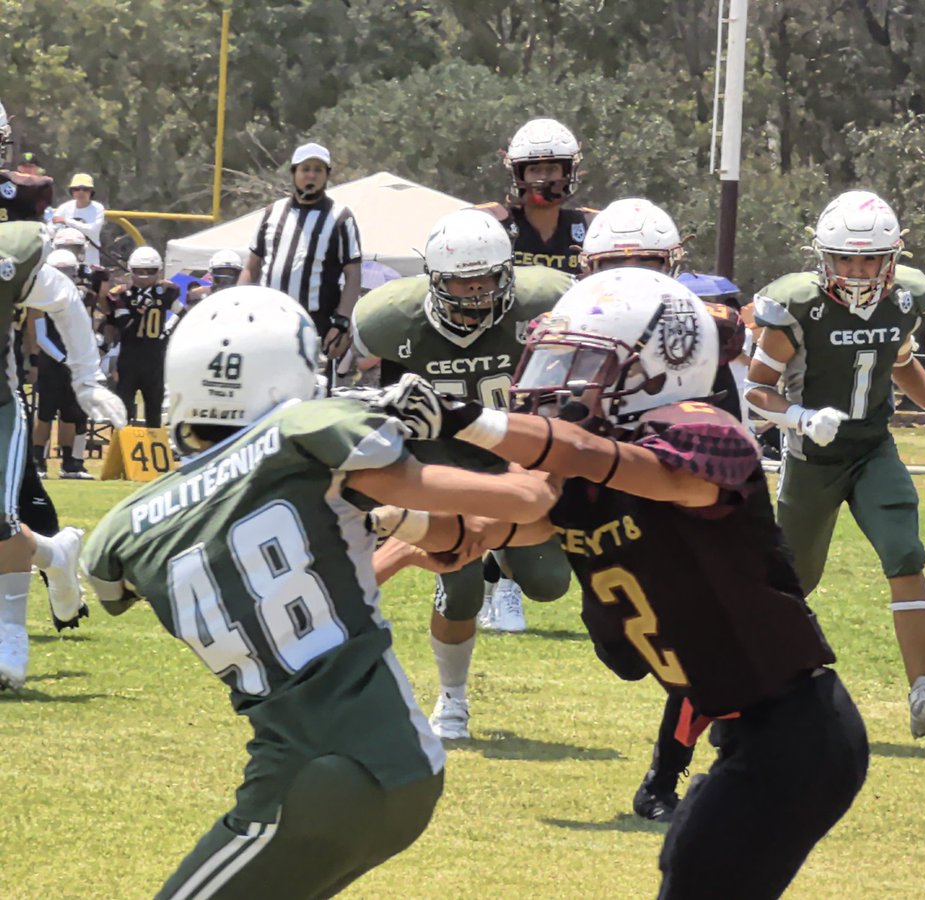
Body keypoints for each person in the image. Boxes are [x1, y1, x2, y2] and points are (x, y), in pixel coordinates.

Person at [382, 268, 870, 900]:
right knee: (685, 869)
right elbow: (481, 529)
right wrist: (387, 512)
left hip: (800, 732)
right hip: (747, 731)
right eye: (556, 361)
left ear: (660, 366)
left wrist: (465, 418)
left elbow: (615, 465)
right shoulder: (587, 459)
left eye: (583, 362)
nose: (560, 383)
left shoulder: (707, 434)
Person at [80, 286, 558, 897]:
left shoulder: (129, 525)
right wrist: (478, 425)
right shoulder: (306, 432)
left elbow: (135, 580)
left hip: (314, 774)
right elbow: (522, 507)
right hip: (390, 763)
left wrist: (396, 527)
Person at [745, 189, 925, 739]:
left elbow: (900, 361)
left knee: (905, 554)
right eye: (846, 258)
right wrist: (801, 418)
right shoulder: (795, 306)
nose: (856, 270)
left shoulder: (904, 300)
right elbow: (757, 391)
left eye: (869, 259)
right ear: (824, 256)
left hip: (874, 448)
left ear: (891, 258)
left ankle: (922, 690)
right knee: (793, 579)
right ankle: (755, 683)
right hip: (813, 458)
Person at [352, 208, 574, 737]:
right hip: (440, 467)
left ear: (508, 275)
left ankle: (502, 554)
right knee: (460, 585)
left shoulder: (546, 302)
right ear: (434, 279)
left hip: (517, 459)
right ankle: (452, 700)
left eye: (486, 281)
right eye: (461, 282)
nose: (475, 294)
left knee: (549, 584)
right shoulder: (392, 320)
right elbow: (355, 383)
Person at [579, 198, 745, 823]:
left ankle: (663, 782)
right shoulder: (571, 334)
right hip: (601, 515)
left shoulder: (698, 338)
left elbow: (725, 428)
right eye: (616, 265)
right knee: (622, 654)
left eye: (646, 263)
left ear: (672, 265)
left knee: (701, 643)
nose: (631, 277)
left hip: (684, 503)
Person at [0, 211, 127, 688]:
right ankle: (55, 554)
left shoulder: (8, 256)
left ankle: (9, 635)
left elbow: (65, 298)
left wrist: (87, 379)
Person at [240, 143, 362, 361]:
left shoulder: (340, 217)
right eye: (305, 169)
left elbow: (353, 274)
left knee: (312, 392)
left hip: (316, 325)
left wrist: (342, 322)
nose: (311, 175)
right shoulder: (272, 213)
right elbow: (252, 266)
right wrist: (239, 306)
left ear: (326, 175)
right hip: (267, 321)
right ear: (294, 172)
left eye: (318, 170)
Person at [476, 118, 595, 276]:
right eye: (534, 170)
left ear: (567, 173)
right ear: (519, 175)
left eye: (552, 168)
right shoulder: (494, 226)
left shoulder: (592, 227)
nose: (543, 178)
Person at [30, 249, 96, 479]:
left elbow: (85, 328)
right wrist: (63, 359)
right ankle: (38, 461)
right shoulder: (39, 296)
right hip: (52, 361)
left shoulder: (83, 294)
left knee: (71, 414)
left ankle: (69, 463)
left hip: (73, 360)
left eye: (68, 271)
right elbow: (40, 336)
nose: (64, 275)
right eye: (60, 271)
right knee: (45, 413)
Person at [105, 246, 181, 429]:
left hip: (155, 359)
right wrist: (142, 307)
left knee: (154, 412)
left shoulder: (166, 292)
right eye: (139, 271)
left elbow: (183, 313)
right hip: (129, 358)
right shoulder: (121, 294)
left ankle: (152, 453)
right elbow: (124, 325)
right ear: (131, 270)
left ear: (159, 271)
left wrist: (169, 330)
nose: (144, 276)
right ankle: (121, 450)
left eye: (150, 271)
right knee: (123, 412)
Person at [51, 173, 105, 266]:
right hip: (65, 260)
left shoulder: (98, 208)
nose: (81, 192)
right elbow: (52, 229)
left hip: (89, 260)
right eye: (76, 189)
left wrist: (67, 221)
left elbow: (92, 230)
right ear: (71, 191)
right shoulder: (64, 207)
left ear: (91, 191)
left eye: (85, 189)